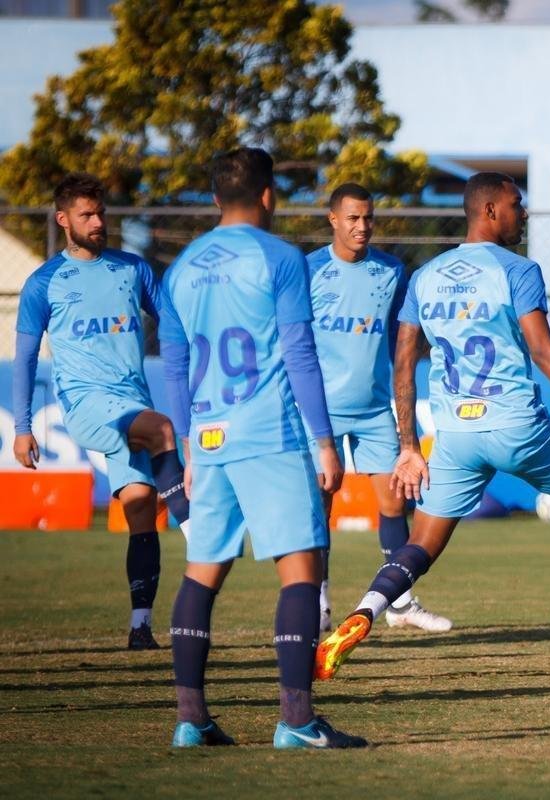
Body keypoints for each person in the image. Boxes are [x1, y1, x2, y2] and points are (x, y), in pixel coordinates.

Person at [314, 171, 550, 680]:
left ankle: (361, 615)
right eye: (515, 204)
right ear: (489, 212)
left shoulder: (426, 275)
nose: (522, 212)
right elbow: (544, 353)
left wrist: (409, 446)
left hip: (455, 434)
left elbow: (402, 365)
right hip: (513, 425)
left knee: (422, 543)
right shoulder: (519, 270)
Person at [158, 147, 364, 749]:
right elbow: (299, 353)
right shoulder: (280, 257)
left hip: (211, 435)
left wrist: (191, 448)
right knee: (300, 571)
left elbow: (175, 366)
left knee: (202, 573)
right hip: (270, 432)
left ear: (216, 198)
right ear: (269, 195)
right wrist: (325, 441)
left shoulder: (181, 267)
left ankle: (190, 721)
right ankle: (297, 722)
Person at [13, 172, 190, 650]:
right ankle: (200, 536)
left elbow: (172, 324)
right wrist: (24, 428)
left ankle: (139, 626)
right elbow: (26, 358)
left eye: (101, 213)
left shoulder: (133, 269)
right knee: (164, 430)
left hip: (132, 400)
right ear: (63, 219)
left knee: (140, 512)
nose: (97, 222)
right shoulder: (43, 283)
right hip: (87, 405)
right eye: (86, 215)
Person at [306, 182, 451, 634]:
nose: (362, 226)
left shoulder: (392, 271)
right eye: (352, 217)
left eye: (368, 217)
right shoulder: (306, 270)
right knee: (318, 506)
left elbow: (403, 343)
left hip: (373, 410)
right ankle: (318, 603)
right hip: (319, 412)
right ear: (333, 219)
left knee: (394, 502)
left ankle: (401, 603)